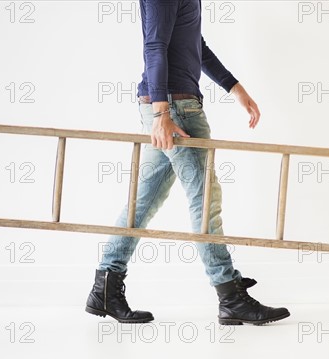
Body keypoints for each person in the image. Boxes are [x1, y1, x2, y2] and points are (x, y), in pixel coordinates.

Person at [86, 0, 290, 325]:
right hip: (175, 109)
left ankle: (105, 288)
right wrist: (161, 114)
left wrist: (235, 89)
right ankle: (230, 296)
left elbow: (197, 45)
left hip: (170, 105)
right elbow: (154, 46)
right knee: (205, 198)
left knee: (143, 201)